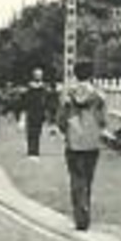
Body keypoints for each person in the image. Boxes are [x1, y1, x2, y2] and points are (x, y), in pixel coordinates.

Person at [54, 61, 108, 230]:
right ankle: (86, 207)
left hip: (74, 140)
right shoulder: (98, 95)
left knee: (76, 178)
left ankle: (80, 214)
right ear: (91, 74)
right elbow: (103, 120)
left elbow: (61, 120)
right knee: (88, 178)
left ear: (75, 74)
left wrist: (67, 128)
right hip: (92, 142)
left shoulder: (67, 94)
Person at [21, 68, 51, 156]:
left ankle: (35, 149)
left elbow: (46, 101)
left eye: (40, 75)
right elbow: (25, 101)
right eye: (37, 74)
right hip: (31, 111)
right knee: (31, 131)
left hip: (39, 112)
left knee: (37, 131)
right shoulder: (30, 87)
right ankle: (31, 149)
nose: (39, 76)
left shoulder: (43, 88)